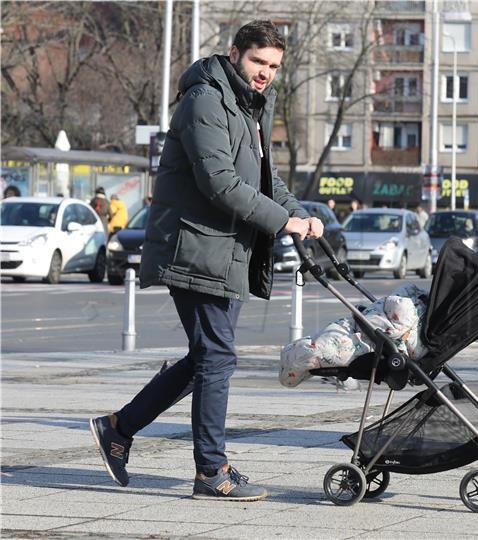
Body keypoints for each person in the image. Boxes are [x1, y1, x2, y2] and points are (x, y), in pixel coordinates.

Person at [88, 20, 322, 502]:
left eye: (274, 67)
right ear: (234, 53)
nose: (265, 74)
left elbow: (262, 181)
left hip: (226, 250)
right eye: (258, 62)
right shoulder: (206, 99)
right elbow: (219, 182)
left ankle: (119, 428)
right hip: (194, 246)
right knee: (217, 357)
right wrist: (282, 223)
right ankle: (211, 472)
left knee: (205, 359)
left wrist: (299, 214)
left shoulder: (249, 105)